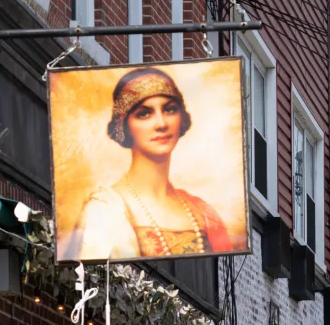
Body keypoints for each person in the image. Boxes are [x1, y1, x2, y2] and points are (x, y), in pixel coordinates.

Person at [64, 67, 237, 261]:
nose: (161, 123)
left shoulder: (204, 213)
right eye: (144, 113)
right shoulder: (104, 209)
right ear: (124, 126)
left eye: (169, 109)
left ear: (181, 118)